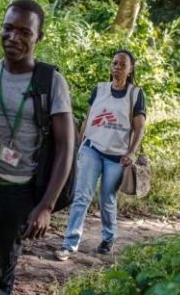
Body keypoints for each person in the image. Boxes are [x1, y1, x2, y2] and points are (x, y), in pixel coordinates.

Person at [0, 0, 75, 294]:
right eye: (8, 28)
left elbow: (66, 145)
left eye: (24, 32)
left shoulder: (51, 82)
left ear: (38, 37)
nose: (13, 37)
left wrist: (45, 206)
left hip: (17, 193)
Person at [54, 49, 146, 261]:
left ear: (130, 69)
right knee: (81, 196)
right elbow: (88, 118)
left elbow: (139, 128)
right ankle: (69, 243)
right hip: (92, 148)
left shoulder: (135, 94)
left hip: (117, 156)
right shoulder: (100, 89)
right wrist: (78, 144)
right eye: (114, 63)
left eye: (122, 65)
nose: (117, 68)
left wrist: (131, 152)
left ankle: (108, 236)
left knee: (107, 198)